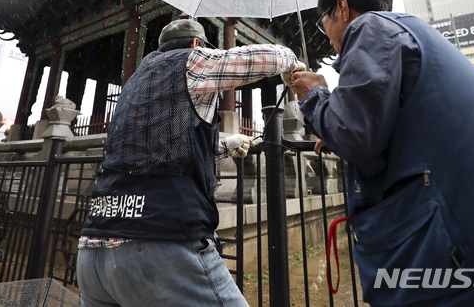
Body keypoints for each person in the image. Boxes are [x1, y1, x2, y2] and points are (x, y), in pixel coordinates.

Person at [292, 0, 474, 307]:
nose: (325, 34)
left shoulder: (369, 27)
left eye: (322, 21)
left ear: (342, 8)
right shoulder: (412, 32)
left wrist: (316, 96)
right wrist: (335, 122)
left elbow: (356, 136)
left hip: (460, 249)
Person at [77, 17, 305, 307]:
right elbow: (265, 58)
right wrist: (290, 62)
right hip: (159, 244)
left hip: (94, 251)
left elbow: (162, 151)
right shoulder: (191, 60)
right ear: (197, 44)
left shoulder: (135, 81)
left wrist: (226, 144)